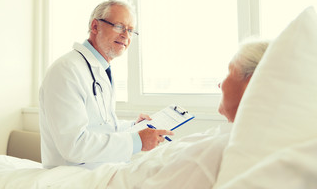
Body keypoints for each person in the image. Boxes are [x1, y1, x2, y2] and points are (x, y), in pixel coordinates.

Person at [106, 38, 270, 189]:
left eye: (229, 72)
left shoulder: (211, 153)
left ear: (249, 83)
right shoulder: (229, 137)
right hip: (113, 173)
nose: (219, 84)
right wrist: (134, 129)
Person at [39, 0, 173, 170]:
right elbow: (73, 146)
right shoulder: (66, 70)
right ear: (95, 27)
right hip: (73, 179)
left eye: (131, 30)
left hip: (102, 172)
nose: (126, 35)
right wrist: (137, 141)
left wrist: (133, 127)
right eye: (119, 26)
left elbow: (102, 126)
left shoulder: (101, 69)